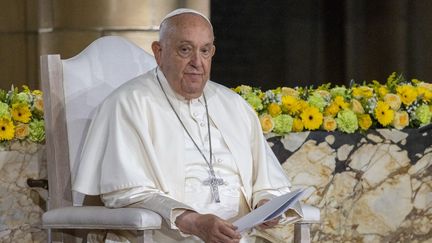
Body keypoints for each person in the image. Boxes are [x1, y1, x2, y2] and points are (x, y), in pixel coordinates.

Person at [73, 8, 302, 243]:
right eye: (185, 50)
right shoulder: (128, 103)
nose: (197, 62)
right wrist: (193, 221)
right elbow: (126, 191)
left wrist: (266, 204)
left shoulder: (234, 105)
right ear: (159, 52)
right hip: (166, 236)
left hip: (241, 236)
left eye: (205, 51)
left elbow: (268, 183)